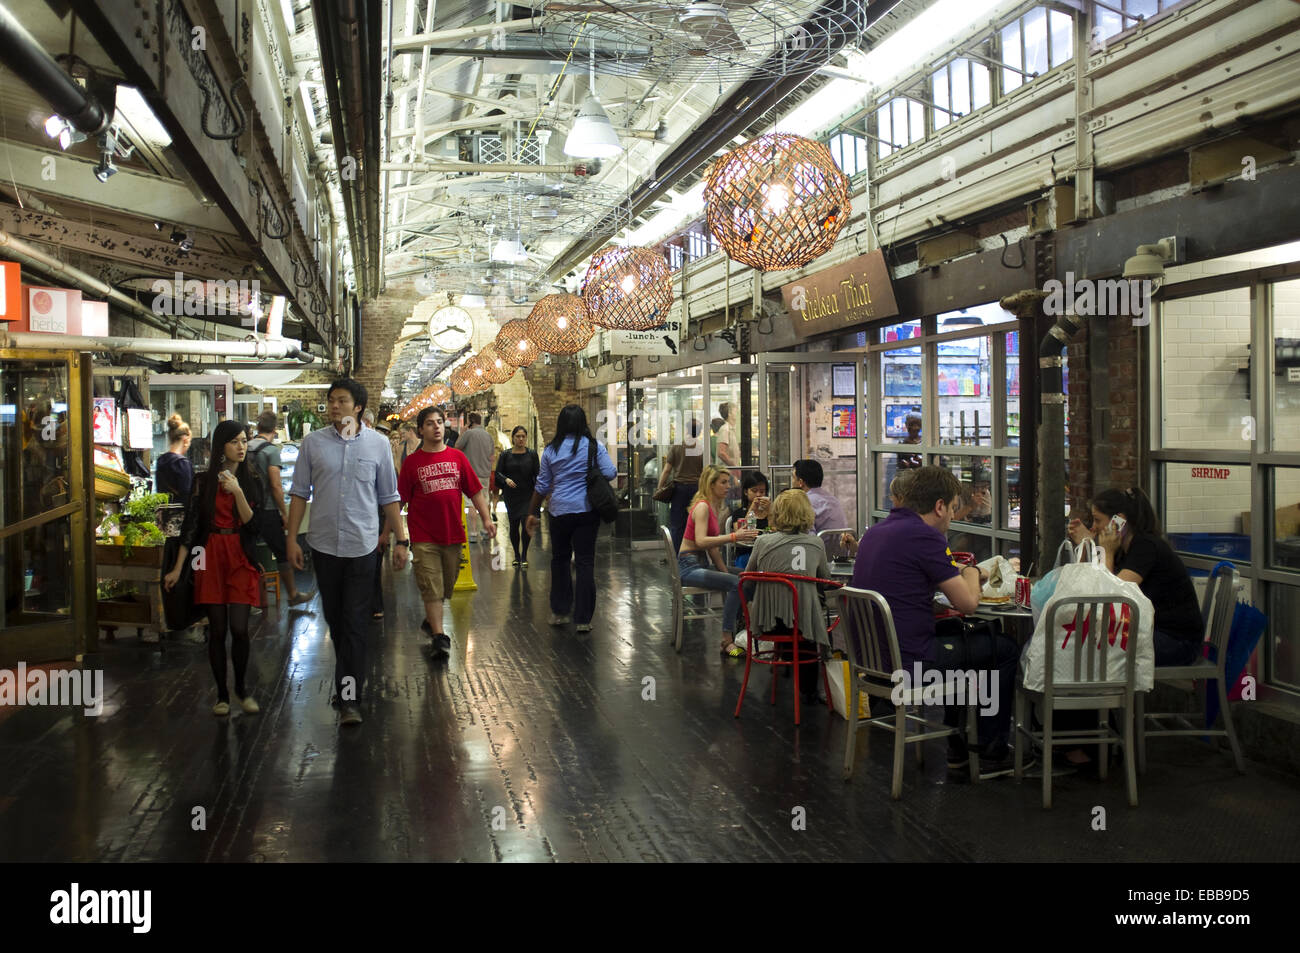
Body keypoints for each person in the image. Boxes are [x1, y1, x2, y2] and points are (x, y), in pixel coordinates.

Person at [850, 464, 1016, 773]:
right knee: (1001, 647)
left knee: (963, 641)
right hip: (909, 665)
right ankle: (988, 750)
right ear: (939, 506)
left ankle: (960, 745)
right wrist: (971, 572)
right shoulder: (925, 537)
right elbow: (967, 603)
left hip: (872, 661)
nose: (953, 516)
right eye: (953, 509)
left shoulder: (876, 531)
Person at [285, 379, 407, 727]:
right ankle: (347, 678)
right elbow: (298, 493)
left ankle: (349, 696)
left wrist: (401, 541)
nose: (333, 406)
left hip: (363, 546)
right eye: (330, 400)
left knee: (354, 623)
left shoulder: (378, 445)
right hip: (323, 545)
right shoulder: (313, 443)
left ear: (358, 408)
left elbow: (389, 497)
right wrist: (292, 538)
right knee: (335, 620)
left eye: (341, 401)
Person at [163, 419, 266, 717]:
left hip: (240, 556)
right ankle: (222, 694)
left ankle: (242, 690)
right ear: (221, 447)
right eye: (235, 441)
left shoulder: (251, 479)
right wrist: (178, 568)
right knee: (218, 630)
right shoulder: (203, 482)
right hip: (209, 556)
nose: (242, 446)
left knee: (240, 628)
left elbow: (254, 526)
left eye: (244, 441)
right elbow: (191, 528)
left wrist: (237, 492)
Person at [1069, 486, 1202, 666]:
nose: (1093, 527)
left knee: (1097, 647)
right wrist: (1088, 546)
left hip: (1177, 641)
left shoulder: (1145, 547)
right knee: (1081, 640)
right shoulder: (1124, 550)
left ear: (1118, 521)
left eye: (1098, 520)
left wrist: (1107, 552)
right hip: (1153, 632)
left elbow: (1111, 598)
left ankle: (1111, 694)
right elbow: (1095, 583)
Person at [399, 406, 495, 656]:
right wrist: (396, 535)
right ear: (421, 430)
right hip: (423, 536)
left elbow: (474, 490)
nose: (437, 427)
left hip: (453, 534)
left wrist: (486, 519)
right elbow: (399, 501)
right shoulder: (412, 464)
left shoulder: (457, 457)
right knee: (431, 586)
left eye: (440, 422)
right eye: (430, 423)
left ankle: (431, 621)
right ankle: (440, 637)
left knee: (445, 586)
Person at [525, 405, 617, 633]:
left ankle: (559, 612)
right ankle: (584, 619)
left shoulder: (550, 450)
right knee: (585, 562)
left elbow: (542, 485)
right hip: (587, 511)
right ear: (583, 423)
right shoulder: (594, 447)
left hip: (559, 512)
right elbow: (610, 473)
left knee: (560, 560)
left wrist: (532, 512)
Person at [747, 489, 832, 703]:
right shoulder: (815, 544)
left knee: (786, 608)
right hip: (803, 625)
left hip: (766, 622)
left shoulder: (762, 542)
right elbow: (825, 579)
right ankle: (809, 691)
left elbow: (748, 578)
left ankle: (784, 657)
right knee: (805, 617)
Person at [675, 465, 760, 657]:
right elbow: (701, 541)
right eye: (723, 482)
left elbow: (712, 547)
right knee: (736, 582)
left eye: (728, 482)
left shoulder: (712, 506)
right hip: (689, 567)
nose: (728, 486)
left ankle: (742, 624)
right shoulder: (703, 507)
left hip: (699, 563)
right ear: (711, 484)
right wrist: (733, 537)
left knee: (750, 577)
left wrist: (723, 570)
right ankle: (727, 638)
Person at [246, 411, 313, 607]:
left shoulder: (246, 447)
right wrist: (284, 512)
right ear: (275, 430)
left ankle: (252, 599)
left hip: (247, 509)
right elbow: (275, 485)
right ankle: (292, 594)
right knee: (282, 552)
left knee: (250, 552)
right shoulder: (271, 451)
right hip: (267, 510)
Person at [839, 471, 915, 557]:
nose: (891, 499)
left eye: (892, 495)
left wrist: (858, 547)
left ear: (901, 498)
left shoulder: (885, 532)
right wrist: (855, 547)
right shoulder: (925, 529)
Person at [659, 417, 707, 552]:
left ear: (686, 429)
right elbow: (705, 471)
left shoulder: (677, 446)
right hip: (697, 489)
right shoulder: (702, 448)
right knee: (696, 522)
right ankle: (693, 552)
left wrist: (660, 487)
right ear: (699, 432)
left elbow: (667, 470)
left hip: (679, 489)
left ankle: (677, 554)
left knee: (677, 524)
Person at [495, 425, 540, 566]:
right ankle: (516, 554)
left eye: (523, 436)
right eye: (518, 436)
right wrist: (506, 480)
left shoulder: (532, 454)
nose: (521, 439)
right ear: (513, 438)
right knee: (513, 525)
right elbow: (498, 473)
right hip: (512, 495)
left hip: (528, 494)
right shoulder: (505, 455)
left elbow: (537, 474)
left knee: (525, 522)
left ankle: (525, 555)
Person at [454, 413, 494, 542]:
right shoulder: (488, 435)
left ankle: (473, 532)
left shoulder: (469, 434)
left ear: (470, 421)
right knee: (485, 500)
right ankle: (485, 529)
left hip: (471, 473)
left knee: (471, 502)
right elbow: (492, 455)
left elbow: (456, 447)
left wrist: (462, 432)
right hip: (485, 473)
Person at [791, 458, 848, 534]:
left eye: (793, 478)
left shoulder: (804, 503)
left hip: (819, 545)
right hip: (841, 545)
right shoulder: (834, 500)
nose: (792, 482)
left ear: (801, 482)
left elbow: (806, 538)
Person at [729, 470, 770, 569]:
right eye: (754, 491)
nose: (758, 495)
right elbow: (741, 535)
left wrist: (770, 511)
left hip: (767, 553)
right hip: (746, 554)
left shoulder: (770, 511)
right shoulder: (738, 513)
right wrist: (752, 508)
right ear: (746, 492)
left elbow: (775, 530)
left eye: (762, 491)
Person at [156, 414, 194, 503]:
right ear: (185, 440)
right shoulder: (182, 463)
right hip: (180, 513)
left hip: (164, 511)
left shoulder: (161, 460)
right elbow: (187, 494)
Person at [715, 402, 739, 469]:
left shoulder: (731, 429)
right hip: (727, 472)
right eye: (735, 411)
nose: (737, 414)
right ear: (729, 414)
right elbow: (721, 453)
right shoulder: (725, 429)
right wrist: (735, 468)